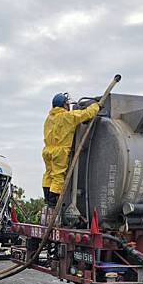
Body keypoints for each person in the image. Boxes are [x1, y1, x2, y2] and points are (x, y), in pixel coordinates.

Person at [41, 93, 100, 221]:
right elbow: (86, 114)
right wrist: (96, 106)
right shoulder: (67, 117)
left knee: (48, 175)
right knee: (58, 176)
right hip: (59, 151)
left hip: (47, 151)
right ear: (64, 104)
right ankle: (54, 203)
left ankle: (47, 198)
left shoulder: (49, 118)